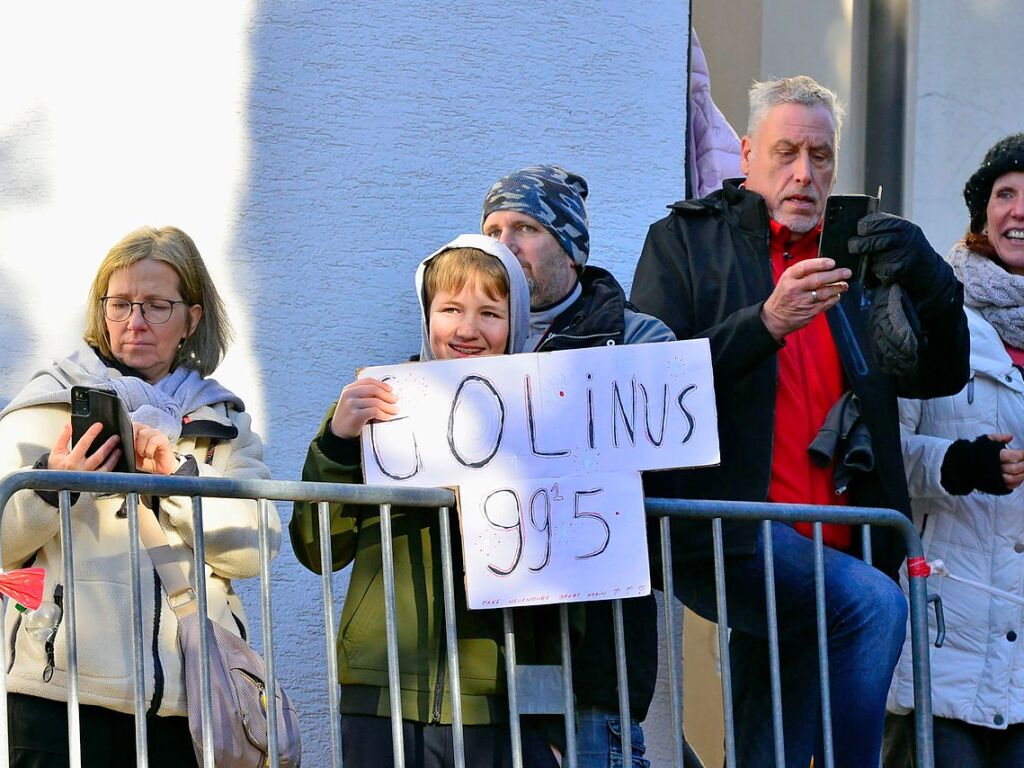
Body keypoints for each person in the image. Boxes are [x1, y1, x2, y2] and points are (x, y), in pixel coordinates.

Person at [629, 75, 970, 767]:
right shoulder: (686, 241)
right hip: (735, 538)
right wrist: (767, 322)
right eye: (786, 153)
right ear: (747, 155)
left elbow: (942, 373)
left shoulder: (861, 252)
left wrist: (931, 277)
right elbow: (649, 386)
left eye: (821, 156)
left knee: (770, 747)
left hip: (843, 542)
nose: (804, 174)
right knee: (874, 608)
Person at [0, 225, 278, 767]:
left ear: (192, 319)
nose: (135, 321)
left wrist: (178, 481)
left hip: (189, 698)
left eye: (156, 305)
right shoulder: (42, 407)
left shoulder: (222, 422)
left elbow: (252, 550)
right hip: (61, 691)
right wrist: (52, 484)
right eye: (120, 303)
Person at [290, 235, 557, 768]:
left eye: (490, 312)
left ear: (518, 323)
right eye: (451, 309)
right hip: (380, 692)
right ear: (426, 315)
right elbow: (320, 550)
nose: (467, 329)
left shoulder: (547, 421)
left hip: (500, 702)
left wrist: (552, 716)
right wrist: (339, 444)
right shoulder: (371, 412)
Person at [481, 164, 675, 767]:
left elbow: (668, 467)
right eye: (492, 228)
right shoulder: (467, 338)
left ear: (570, 246)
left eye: (525, 228)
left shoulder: (640, 341)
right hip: (489, 652)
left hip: (598, 648)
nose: (504, 246)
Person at [885, 133, 1024, 767]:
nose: (1018, 211)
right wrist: (963, 464)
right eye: (1005, 194)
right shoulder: (933, 310)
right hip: (944, 642)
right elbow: (884, 455)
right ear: (982, 212)